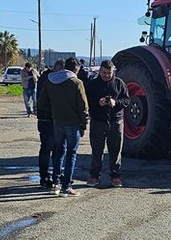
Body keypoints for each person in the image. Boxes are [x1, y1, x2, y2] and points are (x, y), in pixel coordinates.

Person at [37, 57, 88, 197]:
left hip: (57, 122)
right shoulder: (77, 83)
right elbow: (83, 107)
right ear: (76, 69)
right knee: (71, 154)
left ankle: (56, 184)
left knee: (59, 152)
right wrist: (84, 124)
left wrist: (54, 111)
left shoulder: (50, 81)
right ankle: (67, 186)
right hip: (73, 124)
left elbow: (41, 103)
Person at [85, 59, 130, 187]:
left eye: (109, 73)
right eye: (104, 72)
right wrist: (97, 103)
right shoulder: (92, 85)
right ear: (100, 71)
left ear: (113, 72)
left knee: (116, 151)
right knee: (97, 151)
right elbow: (86, 102)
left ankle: (115, 176)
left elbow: (127, 100)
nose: (107, 75)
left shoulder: (119, 84)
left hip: (116, 122)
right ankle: (94, 176)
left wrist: (116, 103)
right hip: (98, 122)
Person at [36, 59, 64, 188]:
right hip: (46, 119)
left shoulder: (51, 79)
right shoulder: (46, 79)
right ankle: (44, 176)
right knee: (47, 148)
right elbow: (42, 101)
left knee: (59, 149)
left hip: (56, 119)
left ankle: (56, 174)